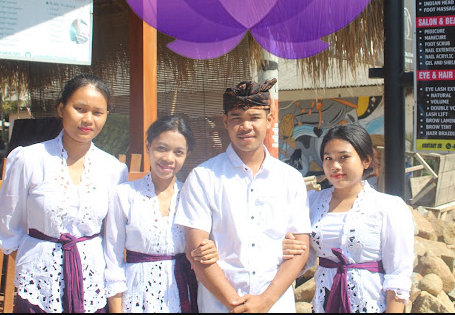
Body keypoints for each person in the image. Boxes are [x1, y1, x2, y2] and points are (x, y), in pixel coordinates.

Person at [0, 73, 129, 313]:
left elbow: (113, 239)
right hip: (38, 287)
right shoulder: (29, 159)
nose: (88, 119)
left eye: (98, 112)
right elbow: (8, 227)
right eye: (79, 108)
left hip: (91, 286)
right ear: (61, 108)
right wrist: (39, 261)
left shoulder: (113, 170)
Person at [175, 79, 311, 313]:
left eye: (254, 117)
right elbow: (195, 251)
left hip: (276, 306)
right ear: (225, 121)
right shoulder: (203, 177)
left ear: (269, 120)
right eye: (236, 118)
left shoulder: (289, 178)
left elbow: (301, 249)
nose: (245, 126)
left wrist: (265, 301)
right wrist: (234, 304)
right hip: (219, 306)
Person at [282, 123, 414, 313]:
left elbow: (398, 275)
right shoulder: (311, 203)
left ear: (366, 160)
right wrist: (286, 246)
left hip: (371, 305)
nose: (335, 166)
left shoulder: (389, 207)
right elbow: (303, 256)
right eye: (328, 158)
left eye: (344, 157)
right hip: (325, 304)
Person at [103, 115, 220, 313]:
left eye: (178, 152)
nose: (168, 158)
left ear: (187, 154)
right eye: (161, 148)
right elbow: (112, 261)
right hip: (136, 299)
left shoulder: (193, 196)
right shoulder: (123, 195)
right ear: (148, 146)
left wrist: (212, 249)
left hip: (185, 295)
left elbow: (211, 244)